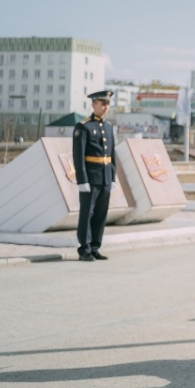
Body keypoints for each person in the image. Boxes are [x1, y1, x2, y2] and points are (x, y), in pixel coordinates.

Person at [73, 90, 118, 262]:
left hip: (105, 177)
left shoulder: (108, 127)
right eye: (102, 103)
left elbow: (112, 154)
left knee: (101, 214)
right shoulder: (83, 126)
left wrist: (112, 177)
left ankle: (95, 247)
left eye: (108, 104)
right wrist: (82, 180)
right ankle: (84, 249)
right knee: (87, 213)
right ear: (93, 105)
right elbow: (79, 156)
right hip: (90, 178)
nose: (106, 107)